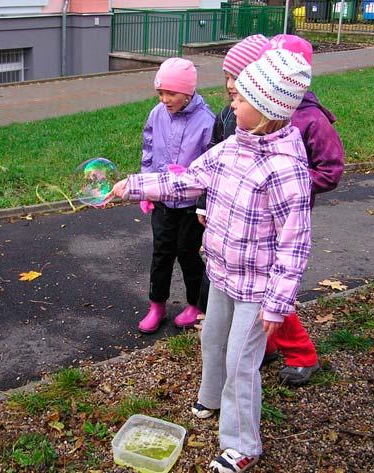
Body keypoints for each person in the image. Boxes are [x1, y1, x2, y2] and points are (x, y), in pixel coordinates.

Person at [110, 48, 313, 473]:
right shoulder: (232, 148)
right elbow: (186, 179)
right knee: (212, 339)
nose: (230, 103)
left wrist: (278, 304)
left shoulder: (286, 169)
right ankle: (211, 395)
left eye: (238, 98)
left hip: (257, 289)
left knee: (242, 360)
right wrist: (133, 185)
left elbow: (295, 246)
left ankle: (243, 445)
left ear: (265, 109)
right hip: (221, 273)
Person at [196, 34, 345, 387]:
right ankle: (263, 348)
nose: (232, 92)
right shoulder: (245, 113)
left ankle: (303, 354)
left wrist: (283, 184)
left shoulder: (310, 120)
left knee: (275, 296)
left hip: (280, 218)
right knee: (253, 302)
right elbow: (215, 162)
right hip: (244, 217)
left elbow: (330, 170)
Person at [136, 57, 215, 334]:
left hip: (191, 205)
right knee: (161, 252)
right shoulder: (157, 114)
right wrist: (147, 186)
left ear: (188, 92)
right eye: (160, 93)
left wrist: (202, 198)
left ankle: (196, 303)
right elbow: (148, 149)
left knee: (188, 253)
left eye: (171, 93)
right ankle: (157, 305)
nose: (165, 99)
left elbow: (212, 164)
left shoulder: (206, 121)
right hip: (162, 200)